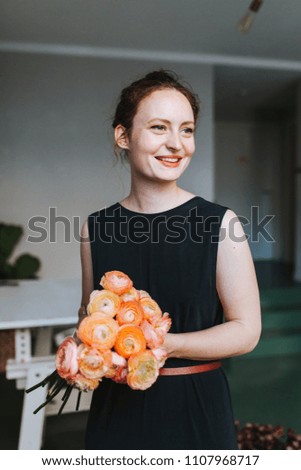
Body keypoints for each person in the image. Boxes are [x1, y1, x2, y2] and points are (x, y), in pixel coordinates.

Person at [78, 69, 262, 450]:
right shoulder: (95, 228)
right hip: (116, 410)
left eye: (187, 130)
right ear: (123, 136)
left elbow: (247, 330)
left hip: (194, 409)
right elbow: (88, 316)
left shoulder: (221, 224)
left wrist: (168, 345)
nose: (177, 144)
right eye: (159, 128)